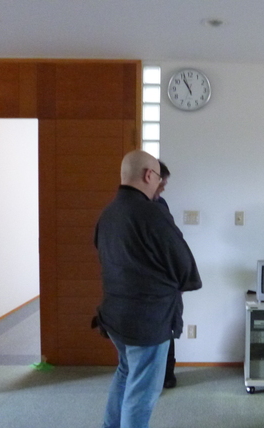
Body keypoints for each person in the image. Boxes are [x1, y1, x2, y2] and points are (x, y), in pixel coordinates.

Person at [94, 150, 202, 428]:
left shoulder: (108, 213)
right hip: (147, 320)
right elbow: (184, 265)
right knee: (143, 391)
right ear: (148, 175)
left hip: (115, 315)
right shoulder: (151, 213)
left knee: (125, 372)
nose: (159, 184)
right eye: (157, 177)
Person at [152, 160, 177, 389]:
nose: (163, 188)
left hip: (165, 281)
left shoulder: (161, 204)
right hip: (146, 286)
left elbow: (171, 241)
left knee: (167, 329)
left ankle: (168, 374)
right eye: (162, 183)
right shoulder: (133, 209)